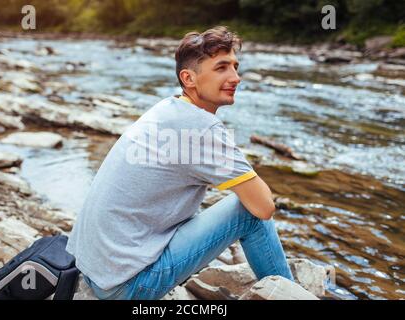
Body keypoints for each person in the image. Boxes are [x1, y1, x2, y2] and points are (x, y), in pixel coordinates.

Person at [66, 26, 293, 300]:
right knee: (248, 212)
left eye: (235, 66)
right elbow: (264, 207)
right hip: (126, 288)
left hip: (95, 270)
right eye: (221, 68)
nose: (236, 77)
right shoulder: (200, 128)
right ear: (189, 78)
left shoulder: (169, 108)